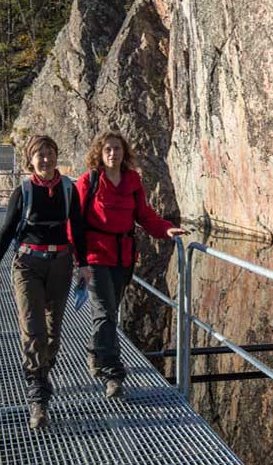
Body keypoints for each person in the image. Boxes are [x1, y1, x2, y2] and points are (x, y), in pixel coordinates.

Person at [75, 131, 187, 399]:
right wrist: (79, 262)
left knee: (108, 312)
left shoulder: (132, 180)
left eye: (117, 149)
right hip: (96, 255)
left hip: (123, 257)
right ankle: (113, 375)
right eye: (108, 149)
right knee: (106, 314)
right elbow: (74, 223)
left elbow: (143, 215)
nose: (113, 153)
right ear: (100, 154)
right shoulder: (89, 181)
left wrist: (166, 229)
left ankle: (94, 350)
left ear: (124, 152)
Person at [0, 135, 86, 429]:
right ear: (31, 160)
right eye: (40, 155)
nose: (46, 159)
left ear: (57, 156)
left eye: (50, 153)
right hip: (27, 264)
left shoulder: (68, 188)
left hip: (61, 264)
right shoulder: (24, 191)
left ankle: (43, 368)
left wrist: (85, 265)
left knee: (53, 332)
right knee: (33, 329)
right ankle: (38, 398)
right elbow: (6, 230)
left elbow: (77, 229)